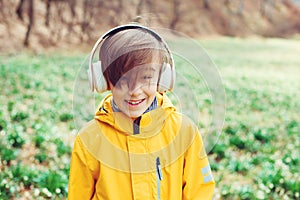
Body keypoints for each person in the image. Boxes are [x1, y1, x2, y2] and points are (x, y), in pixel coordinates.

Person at [68, 24, 215, 200]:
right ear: (103, 81)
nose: (134, 91)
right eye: (123, 80)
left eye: (146, 77)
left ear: (163, 79)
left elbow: (200, 193)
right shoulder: (90, 139)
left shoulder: (184, 132)